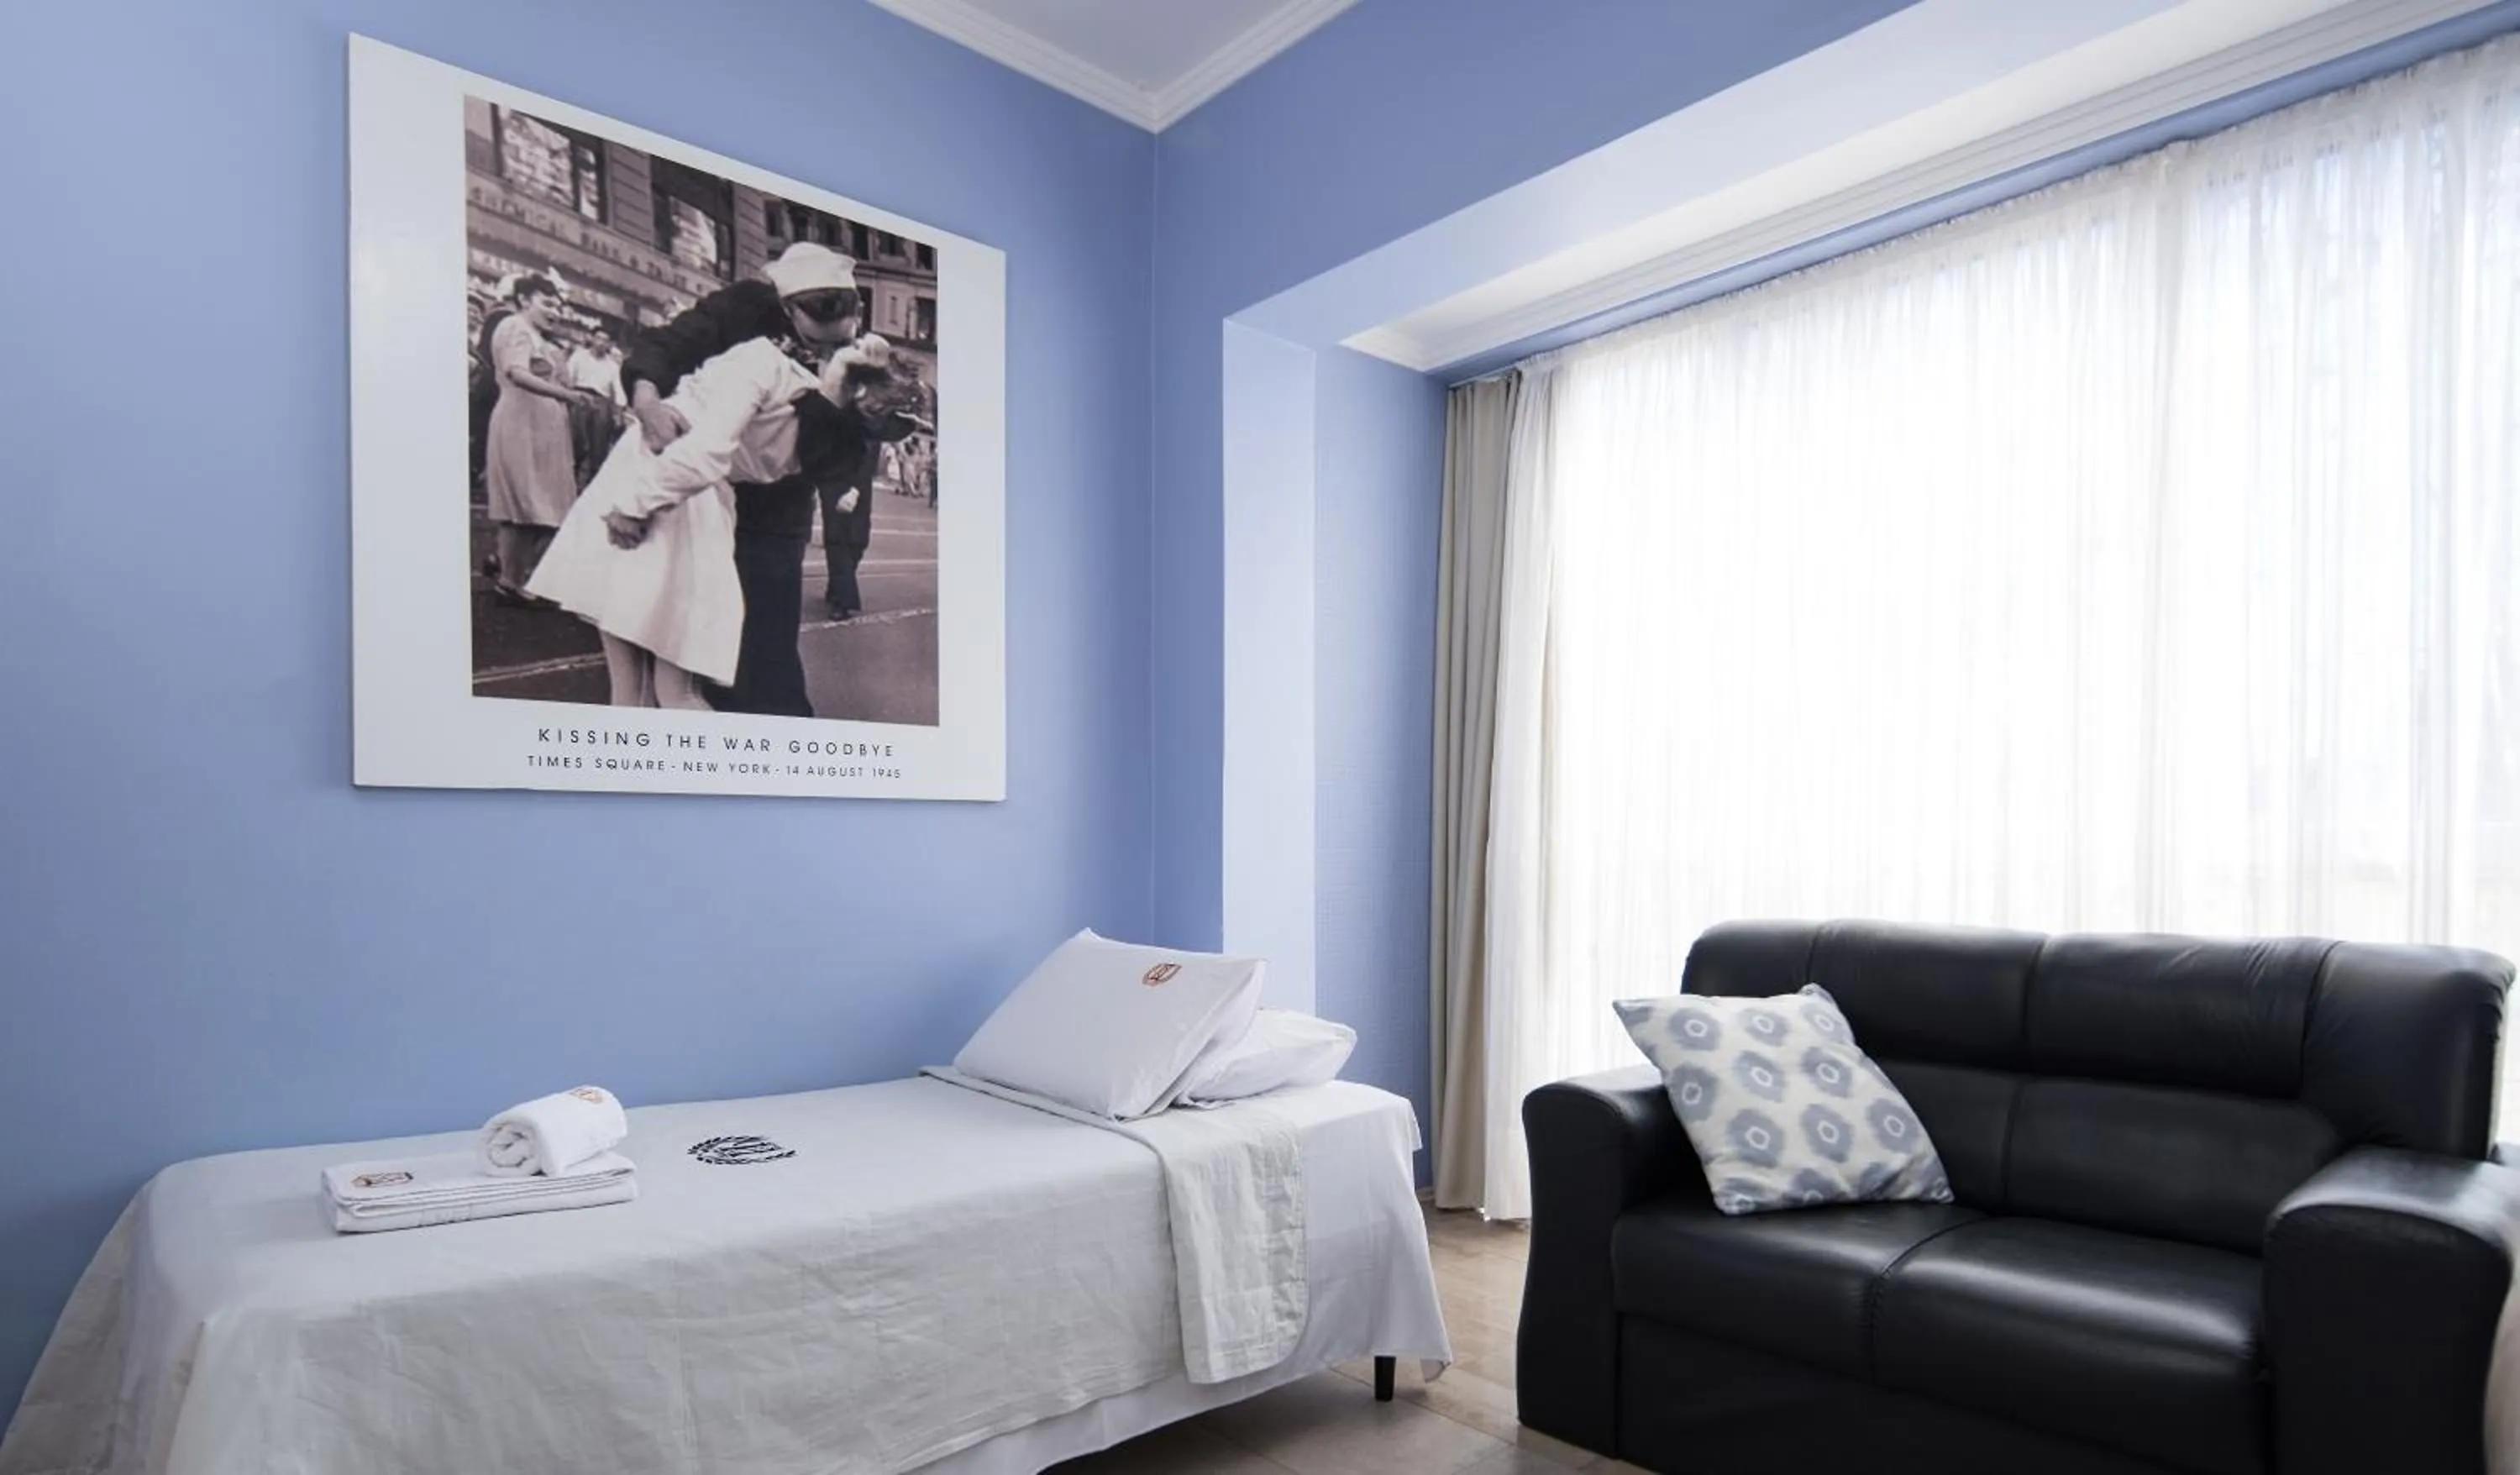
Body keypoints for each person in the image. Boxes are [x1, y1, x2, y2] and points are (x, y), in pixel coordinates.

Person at [526, 337, 896, 709]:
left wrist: (634, 504)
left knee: (652, 688)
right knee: (655, 686)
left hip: (664, 489)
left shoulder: (768, 365)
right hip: (683, 497)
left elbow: (707, 452)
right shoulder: (816, 429)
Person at [617, 242, 870, 716]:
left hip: (780, 506)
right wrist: (647, 399)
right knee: (697, 643)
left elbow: (849, 441)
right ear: (787, 307)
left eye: (836, 344)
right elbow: (667, 345)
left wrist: (855, 415)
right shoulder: (743, 310)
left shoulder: (854, 347)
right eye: (816, 340)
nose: (825, 352)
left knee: (767, 650)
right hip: (705, 496)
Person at [482, 275, 591, 599]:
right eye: (547, 304)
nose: (554, 311)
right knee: (524, 502)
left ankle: (512, 574)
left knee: (538, 505)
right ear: (524, 301)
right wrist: (565, 395)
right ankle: (511, 579)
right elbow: (517, 373)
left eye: (557, 306)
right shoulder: (514, 326)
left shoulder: (539, 338)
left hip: (540, 426)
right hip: (521, 422)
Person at [816, 336, 924, 621]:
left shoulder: (878, 405)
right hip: (835, 476)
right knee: (838, 536)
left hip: (861, 478)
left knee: (859, 538)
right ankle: (842, 600)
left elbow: (892, 429)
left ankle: (837, 587)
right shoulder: (842, 398)